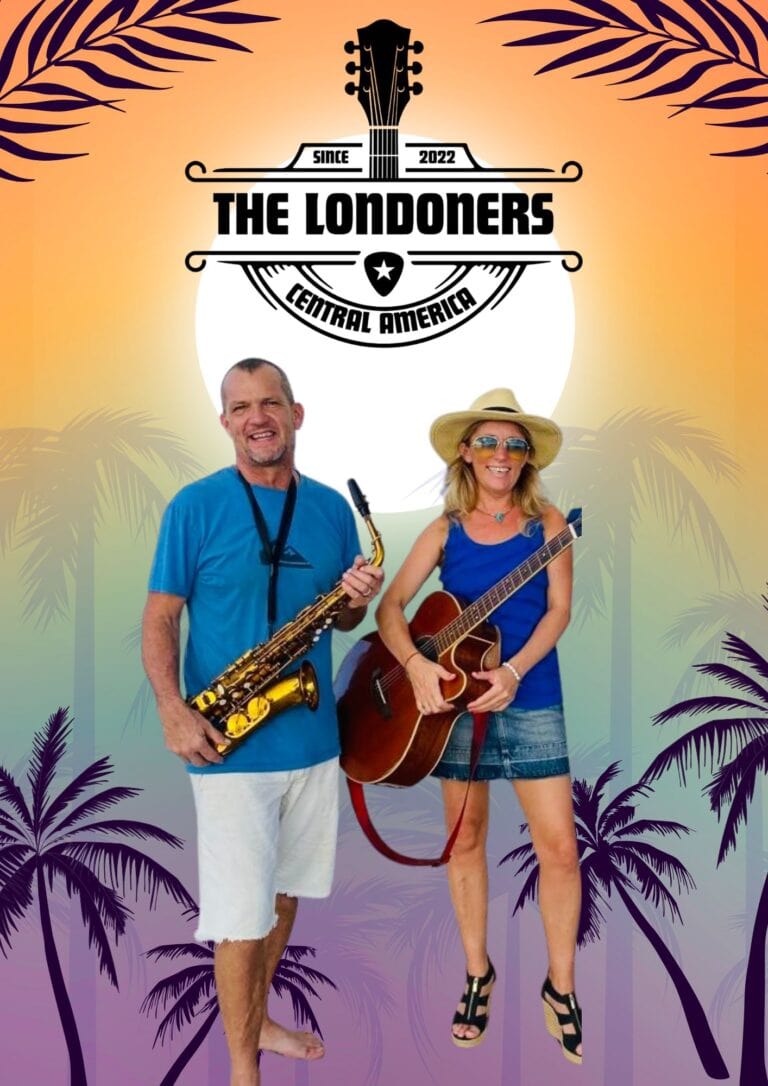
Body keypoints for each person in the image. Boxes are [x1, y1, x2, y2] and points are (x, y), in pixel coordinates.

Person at [141, 358, 383, 1086]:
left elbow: (344, 618)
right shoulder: (194, 506)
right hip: (229, 746)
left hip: (311, 740)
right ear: (224, 422)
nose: (258, 418)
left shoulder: (331, 510)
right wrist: (172, 709)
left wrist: (355, 599)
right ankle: (243, 1069)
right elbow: (160, 617)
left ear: (296, 413)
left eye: (270, 403)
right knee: (240, 920)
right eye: (242, 407)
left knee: (282, 897)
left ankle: (260, 1017)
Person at [376, 388, 582, 1063]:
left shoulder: (549, 525)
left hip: (532, 696)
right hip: (455, 706)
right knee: (465, 842)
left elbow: (558, 611)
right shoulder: (445, 529)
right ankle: (476, 975)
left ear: (527, 458)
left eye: (515, 444)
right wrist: (416, 667)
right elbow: (391, 609)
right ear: (466, 451)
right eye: (489, 441)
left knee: (559, 849)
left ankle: (560, 987)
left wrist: (515, 671)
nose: (502, 453)